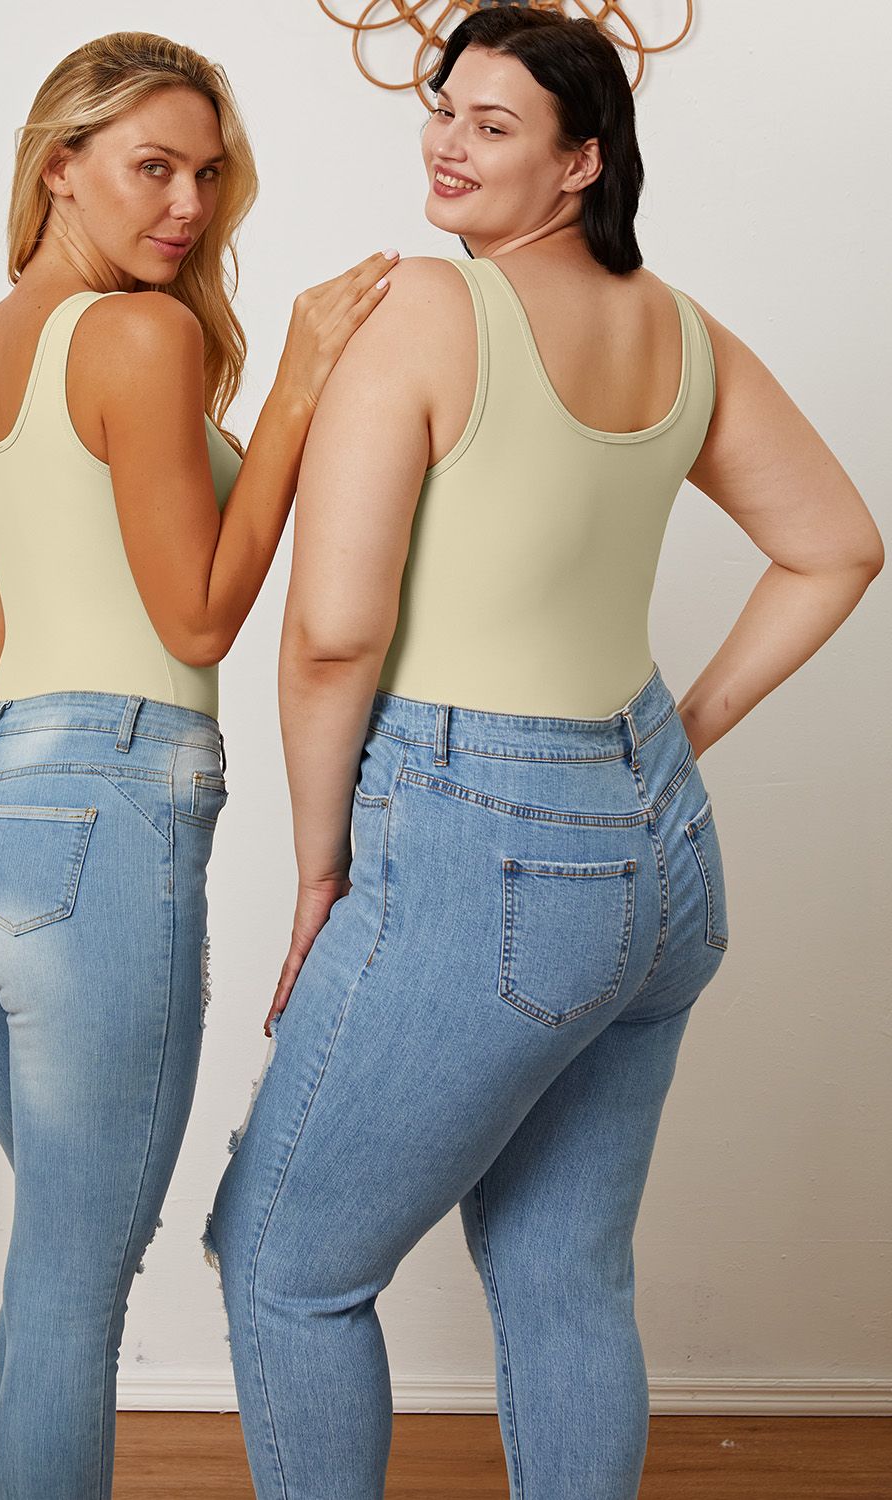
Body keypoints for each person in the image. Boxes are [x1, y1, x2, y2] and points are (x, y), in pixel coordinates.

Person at [203, 10, 884, 1499]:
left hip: (481, 843)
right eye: (445, 106)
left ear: (581, 163)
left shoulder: (428, 312)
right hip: (653, 858)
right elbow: (836, 547)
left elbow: (331, 635)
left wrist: (322, 868)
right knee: (565, 1271)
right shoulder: (683, 330)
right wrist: (674, 741)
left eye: (495, 125)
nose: (447, 139)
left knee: (278, 1264)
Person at [0, 29, 398, 1500]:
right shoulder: (143, 338)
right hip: (107, 822)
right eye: (152, 166)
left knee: (55, 1261)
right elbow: (196, 614)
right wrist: (306, 378)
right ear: (61, 166)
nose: (186, 202)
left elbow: (1, 645)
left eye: (207, 172)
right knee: (74, 1279)